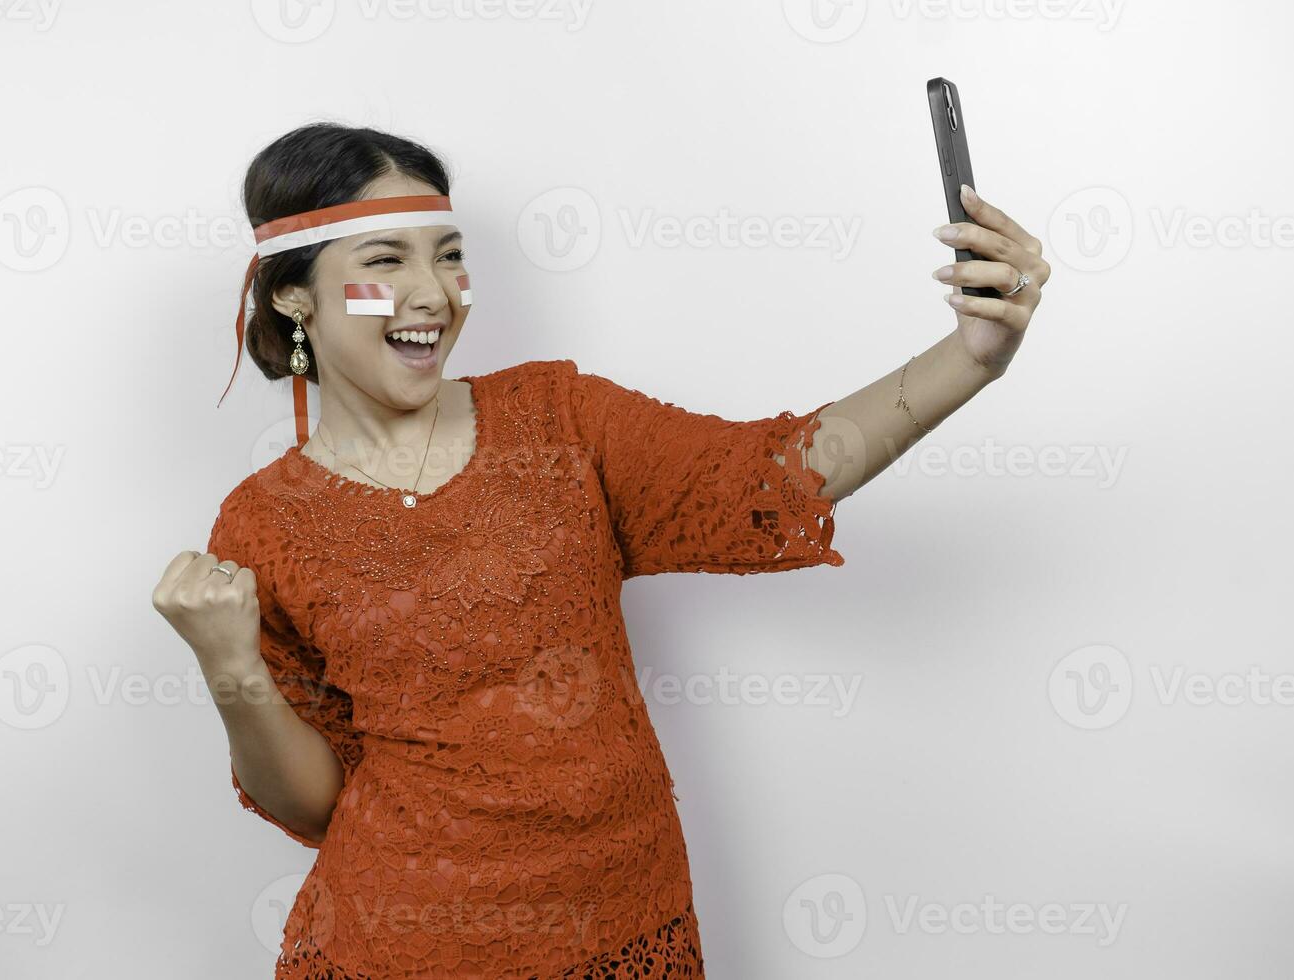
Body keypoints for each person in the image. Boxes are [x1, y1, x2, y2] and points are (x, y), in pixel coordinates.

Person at [151, 122, 1050, 978]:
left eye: (451, 254)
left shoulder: (560, 420)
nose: (435, 292)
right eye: (386, 260)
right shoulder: (263, 522)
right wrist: (230, 663)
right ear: (291, 292)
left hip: (622, 916)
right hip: (398, 944)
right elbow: (310, 803)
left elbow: (765, 477)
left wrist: (971, 356)